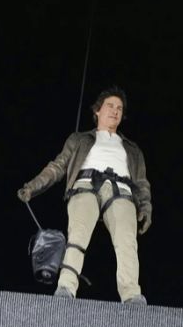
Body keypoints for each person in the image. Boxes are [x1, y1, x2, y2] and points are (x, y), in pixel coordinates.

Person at [17, 86, 152, 304]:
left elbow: (142, 183)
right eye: (110, 106)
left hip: (121, 191)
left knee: (127, 240)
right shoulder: (80, 139)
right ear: (98, 111)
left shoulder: (132, 149)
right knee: (78, 234)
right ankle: (66, 287)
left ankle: (131, 295)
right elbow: (57, 167)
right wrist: (33, 186)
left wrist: (146, 207)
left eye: (119, 108)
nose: (115, 111)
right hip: (86, 186)